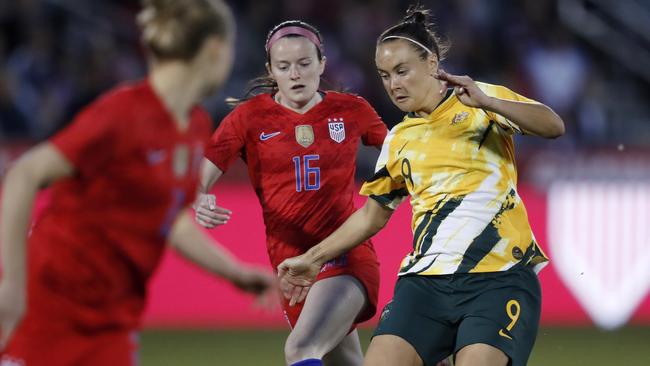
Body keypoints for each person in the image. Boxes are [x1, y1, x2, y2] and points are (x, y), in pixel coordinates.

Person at [278, 6, 565, 366]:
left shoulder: (480, 101)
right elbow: (370, 217)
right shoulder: (399, 139)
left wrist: (490, 102)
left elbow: (553, 126)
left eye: (402, 71)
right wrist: (311, 259)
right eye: (384, 75)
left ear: (431, 64)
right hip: (425, 285)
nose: (393, 84)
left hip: (498, 277)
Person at [0, 1, 274, 365]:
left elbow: (171, 219)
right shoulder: (123, 112)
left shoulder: (194, 125)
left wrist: (234, 272)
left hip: (114, 317)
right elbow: (24, 174)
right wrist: (13, 288)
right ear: (215, 49)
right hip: (50, 306)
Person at [194, 20, 388, 366]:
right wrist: (201, 196)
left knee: (301, 349)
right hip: (291, 271)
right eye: (284, 67)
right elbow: (204, 172)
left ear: (322, 64)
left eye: (304, 64)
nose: (295, 74)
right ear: (271, 70)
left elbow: (401, 153)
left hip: (345, 259)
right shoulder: (248, 119)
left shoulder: (350, 109)